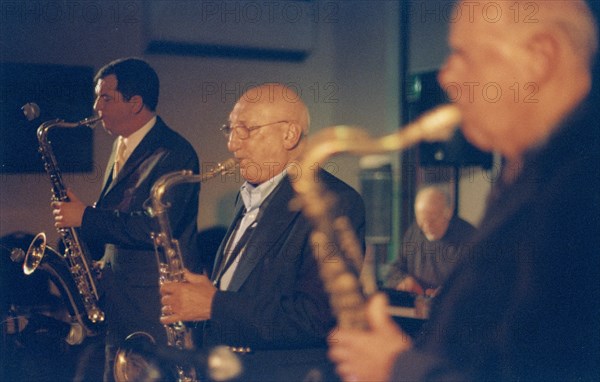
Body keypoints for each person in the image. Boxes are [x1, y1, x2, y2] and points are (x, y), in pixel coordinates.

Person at [328, 1, 600, 381]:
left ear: (540, 57)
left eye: (463, 55)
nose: (445, 77)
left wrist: (398, 368)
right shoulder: (530, 176)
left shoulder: (582, 190)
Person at [159, 83, 365, 379]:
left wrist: (214, 304)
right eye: (229, 129)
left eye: (246, 129)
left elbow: (317, 316)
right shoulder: (251, 196)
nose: (232, 143)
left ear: (289, 134)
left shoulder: (333, 203)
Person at [52, 57, 200, 381]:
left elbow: (154, 226)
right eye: (97, 97)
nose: (96, 106)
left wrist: (87, 217)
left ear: (135, 103)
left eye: (106, 97)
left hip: (154, 310)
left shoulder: (175, 152)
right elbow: (121, 217)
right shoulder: (122, 146)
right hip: (121, 305)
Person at [384, 186, 476, 296]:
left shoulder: (470, 238)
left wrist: (448, 293)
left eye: (432, 219)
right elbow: (394, 270)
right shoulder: (414, 232)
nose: (427, 226)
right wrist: (404, 280)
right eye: (421, 220)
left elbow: (477, 282)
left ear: (448, 213)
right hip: (415, 305)